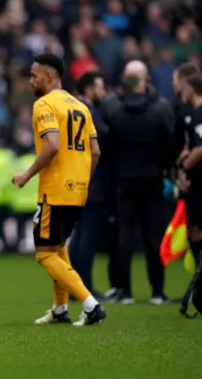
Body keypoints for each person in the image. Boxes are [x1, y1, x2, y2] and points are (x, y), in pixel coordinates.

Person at [12, 53, 106, 326]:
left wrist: (27, 175)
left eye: (34, 76)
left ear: (49, 77)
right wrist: (81, 178)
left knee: (44, 253)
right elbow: (96, 151)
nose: (30, 81)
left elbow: (51, 145)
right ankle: (60, 308)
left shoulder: (45, 104)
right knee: (59, 248)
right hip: (78, 190)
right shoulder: (80, 106)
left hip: (54, 191)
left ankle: (90, 305)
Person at [107, 74, 177, 304]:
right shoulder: (157, 114)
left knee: (124, 237)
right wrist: (165, 168)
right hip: (152, 180)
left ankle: (124, 291)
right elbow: (169, 146)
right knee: (153, 237)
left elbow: (109, 149)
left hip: (125, 182)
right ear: (142, 87)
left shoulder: (116, 116)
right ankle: (157, 291)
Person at [68, 71, 109, 297]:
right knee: (87, 237)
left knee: (79, 235)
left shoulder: (73, 109)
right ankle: (84, 287)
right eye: (100, 86)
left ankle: (74, 285)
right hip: (90, 181)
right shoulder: (88, 112)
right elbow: (101, 137)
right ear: (89, 89)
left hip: (75, 179)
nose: (104, 91)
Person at [179, 73, 202, 266]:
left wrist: (184, 167)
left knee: (197, 230)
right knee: (193, 230)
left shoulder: (200, 113)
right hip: (194, 183)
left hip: (200, 182)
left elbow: (201, 148)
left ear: (190, 88)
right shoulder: (192, 113)